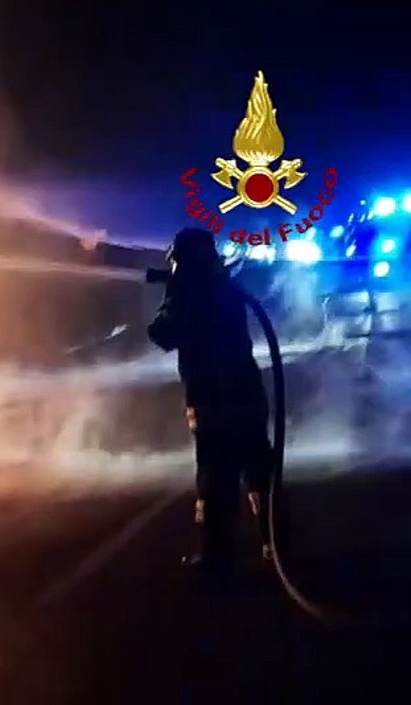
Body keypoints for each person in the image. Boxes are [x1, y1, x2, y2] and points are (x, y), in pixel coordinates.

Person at [147, 228, 274, 576]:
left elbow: (161, 334)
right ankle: (275, 546)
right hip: (247, 393)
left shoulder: (189, 296)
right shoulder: (228, 290)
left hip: (212, 399)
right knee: (258, 467)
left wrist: (172, 294)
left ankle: (218, 559)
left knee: (216, 479)